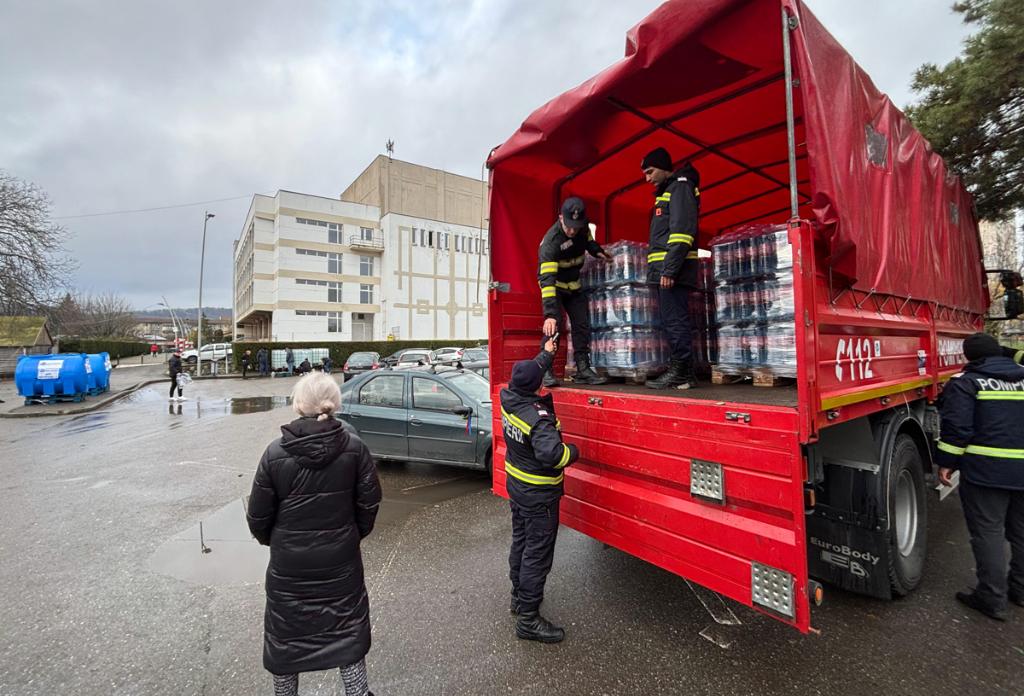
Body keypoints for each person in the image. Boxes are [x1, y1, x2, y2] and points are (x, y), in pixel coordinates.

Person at [247, 372, 382, 696]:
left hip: (289, 568)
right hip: (340, 564)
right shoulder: (355, 448)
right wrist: (349, 537)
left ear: (298, 404)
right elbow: (370, 504)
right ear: (333, 402)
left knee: (286, 641)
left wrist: (280, 543)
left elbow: (258, 518)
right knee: (346, 633)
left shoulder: (274, 453)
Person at [936, 332, 1024, 621]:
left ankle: (991, 597)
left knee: (988, 532)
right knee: (1021, 532)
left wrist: (946, 463)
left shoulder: (966, 383)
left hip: (987, 472)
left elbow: (957, 429)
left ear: (969, 357)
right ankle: (1021, 590)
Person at [501, 335, 580, 643]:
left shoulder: (511, 398)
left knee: (520, 543)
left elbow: (532, 369)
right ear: (537, 386)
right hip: (539, 496)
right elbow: (553, 455)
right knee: (537, 554)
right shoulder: (537, 418)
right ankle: (529, 621)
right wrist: (573, 451)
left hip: (519, 489)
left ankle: (519, 598)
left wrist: (548, 352)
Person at [640, 147, 702, 390]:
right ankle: (682, 371)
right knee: (671, 320)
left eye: (650, 171)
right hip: (667, 271)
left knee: (675, 320)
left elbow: (682, 233)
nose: (647, 178)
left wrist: (669, 270)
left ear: (664, 167)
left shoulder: (680, 188)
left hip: (673, 272)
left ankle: (682, 372)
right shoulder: (668, 190)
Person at [537, 196, 611, 387]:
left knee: (582, 324)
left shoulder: (582, 228)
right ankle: (546, 370)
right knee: (554, 326)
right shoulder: (551, 243)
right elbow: (547, 282)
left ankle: (583, 368)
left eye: (576, 227)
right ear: (560, 217)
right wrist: (550, 315)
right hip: (554, 286)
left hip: (574, 284)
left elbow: (588, 242)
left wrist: (598, 252)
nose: (572, 231)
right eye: (568, 226)